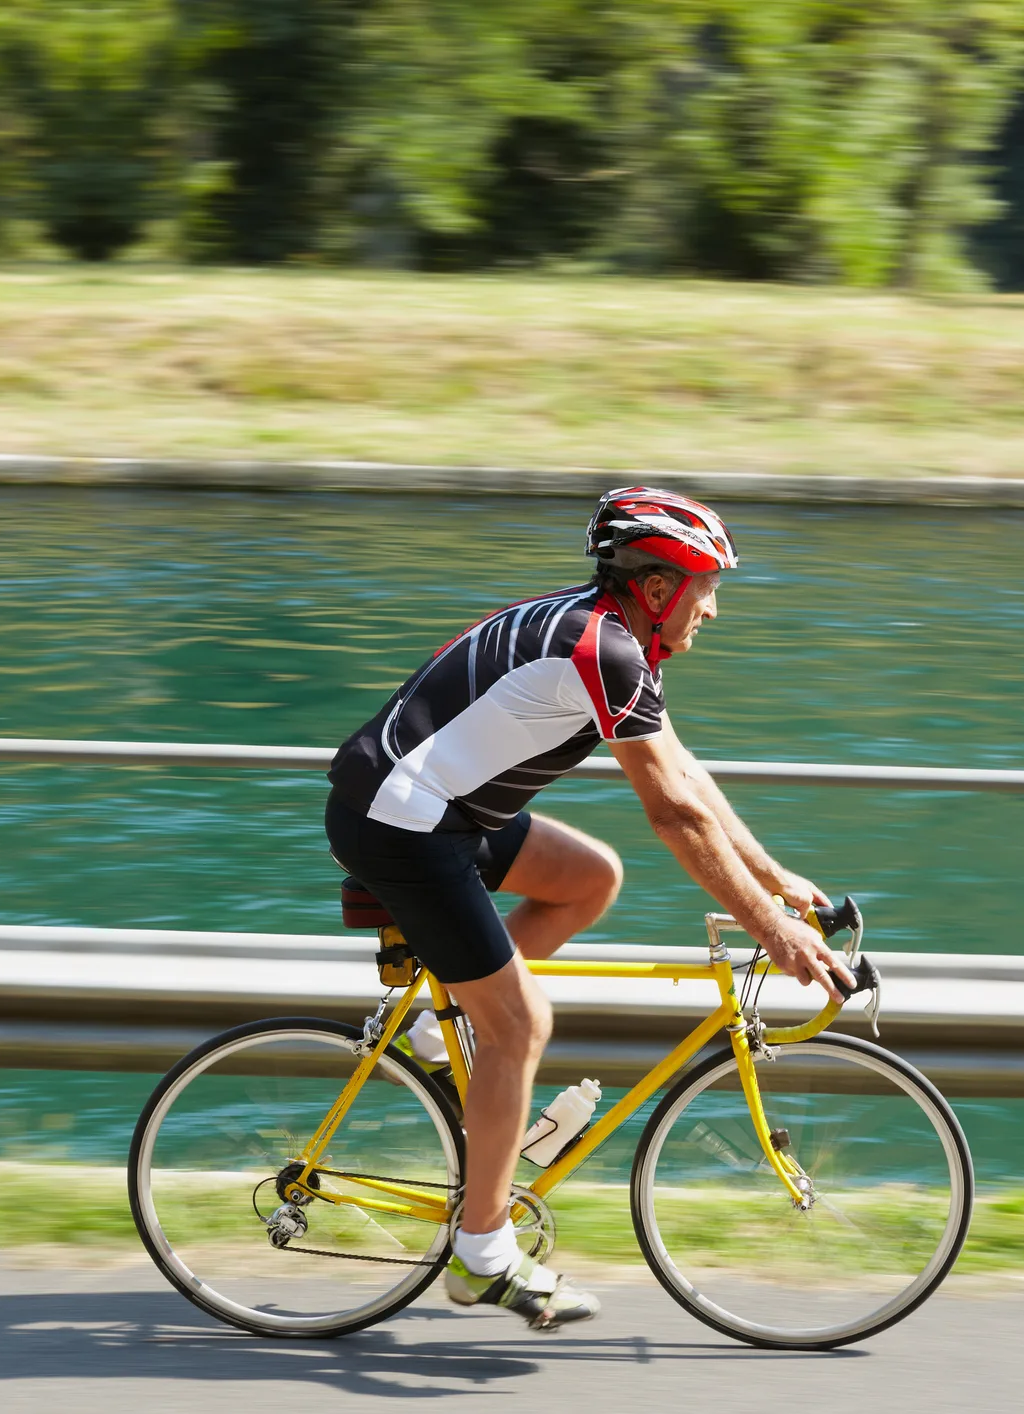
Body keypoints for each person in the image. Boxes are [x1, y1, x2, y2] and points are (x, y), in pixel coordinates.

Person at [323, 486, 855, 1330]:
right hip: (402, 824)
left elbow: (687, 780)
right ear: (654, 589)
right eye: (706, 587)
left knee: (590, 877)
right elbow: (672, 816)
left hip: (444, 812)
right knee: (521, 1026)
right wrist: (768, 929)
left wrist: (774, 877)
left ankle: (438, 1033)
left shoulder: (611, 639)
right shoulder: (602, 652)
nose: (712, 609)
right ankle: (483, 1255)